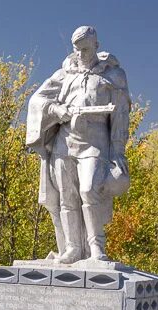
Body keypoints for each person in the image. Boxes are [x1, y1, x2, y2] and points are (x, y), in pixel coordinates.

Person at [26, 25, 131, 264]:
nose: (81, 54)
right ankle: (72, 248)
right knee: (67, 196)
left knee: (88, 189)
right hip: (65, 141)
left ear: (96, 45)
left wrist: (118, 152)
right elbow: (38, 100)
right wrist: (57, 110)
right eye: (77, 49)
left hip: (95, 141)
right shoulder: (65, 73)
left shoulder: (113, 75)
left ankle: (96, 248)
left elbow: (120, 116)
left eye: (85, 49)